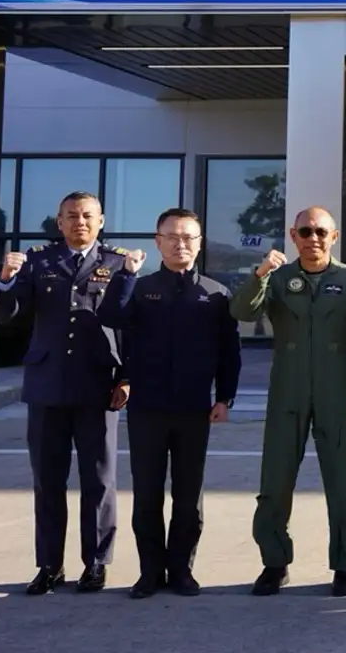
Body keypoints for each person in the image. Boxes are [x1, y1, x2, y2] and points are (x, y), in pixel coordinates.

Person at [230, 206, 346, 598]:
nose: (312, 238)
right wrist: (260, 274)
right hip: (288, 393)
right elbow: (241, 311)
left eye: (320, 232)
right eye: (304, 232)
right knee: (275, 482)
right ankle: (274, 563)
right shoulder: (278, 278)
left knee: (344, 484)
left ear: (333, 237)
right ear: (293, 235)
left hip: (339, 395)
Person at [97, 208, 241, 599]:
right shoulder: (141, 288)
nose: (181, 244)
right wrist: (126, 275)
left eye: (188, 237)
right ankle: (149, 573)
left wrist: (225, 397)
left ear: (200, 243)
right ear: (158, 241)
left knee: (188, 497)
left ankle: (181, 571)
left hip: (195, 408)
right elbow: (110, 315)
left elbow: (229, 352)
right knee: (147, 495)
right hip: (147, 407)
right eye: (172, 237)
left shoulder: (215, 293)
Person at [0, 190, 132, 595]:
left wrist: (126, 377)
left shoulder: (118, 263)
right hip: (47, 384)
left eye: (87, 216)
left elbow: (128, 326)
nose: (79, 222)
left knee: (99, 480)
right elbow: (9, 315)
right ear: (60, 222)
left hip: (98, 386)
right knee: (48, 480)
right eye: (71, 216)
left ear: (101, 221)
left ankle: (96, 563)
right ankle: (50, 565)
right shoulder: (38, 261)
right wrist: (5, 280)